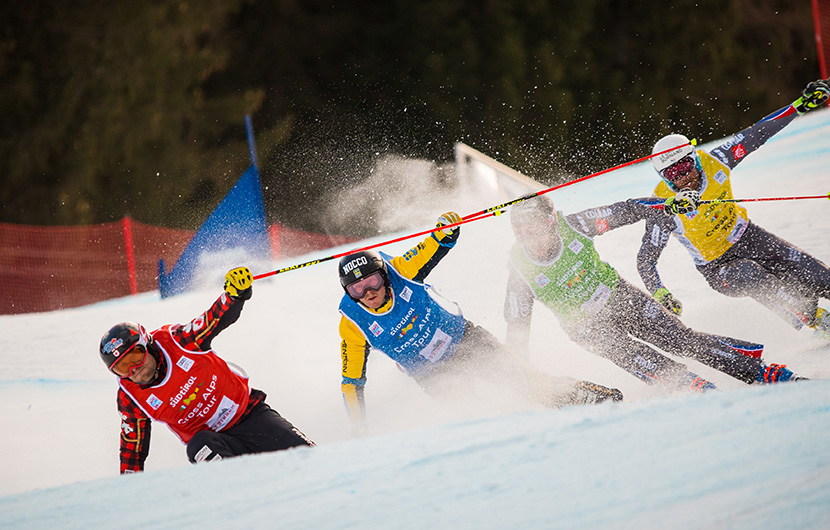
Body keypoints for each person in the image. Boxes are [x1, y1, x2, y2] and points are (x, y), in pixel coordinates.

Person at [337, 212, 623, 431]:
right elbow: (351, 382)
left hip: (464, 340)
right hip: (431, 374)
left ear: (383, 274)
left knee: (527, 384)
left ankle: (594, 400)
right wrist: (359, 427)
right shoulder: (353, 324)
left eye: (372, 281)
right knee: (471, 414)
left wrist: (447, 227)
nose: (369, 292)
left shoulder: (401, 270)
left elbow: (438, 241)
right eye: (357, 290)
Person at [504, 195, 805, 391]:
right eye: (522, 232)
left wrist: (667, 204)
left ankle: (761, 371)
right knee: (634, 356)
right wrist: (521, 374)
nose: (531, 239)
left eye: (537, 228)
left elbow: (631, 209)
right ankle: (693, 388)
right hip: (585, 326)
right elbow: (517, 328)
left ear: (552, 222)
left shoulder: (577, 224)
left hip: (617, 295)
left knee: (683, 341)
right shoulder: (520, 269)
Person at [639, 78, 830, 339]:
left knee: (817, 275)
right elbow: (646, 259)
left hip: (749, 237)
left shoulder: (717, 160)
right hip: (718, 268)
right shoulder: (665, 207)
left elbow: (758, 132)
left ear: (694, 158)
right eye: (671, 174)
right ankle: (816, 320)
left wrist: (799, 106)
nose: (682, 178)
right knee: (751, 274)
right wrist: (660, 291)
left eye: (684, 167)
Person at [99, 266, 314, 474]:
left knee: (311, 458)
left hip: (250, 416)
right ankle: (247, 489)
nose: (133, 370)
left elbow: (214, 319)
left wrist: (234, 294)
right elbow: (132, 450)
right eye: (121, 368)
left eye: (135, 357)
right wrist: (128, 489)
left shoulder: (178, 341)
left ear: (147, 344)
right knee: (198, 446)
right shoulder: (130, 396)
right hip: (215, 443)